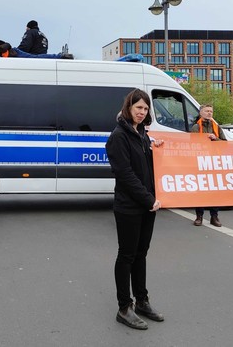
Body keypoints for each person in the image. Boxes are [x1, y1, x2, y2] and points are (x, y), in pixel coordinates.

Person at [105, 89, 165, 330]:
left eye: (146, 108)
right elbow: (125, 174)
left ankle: (142, 301)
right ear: (128, 107)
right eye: (138, 107)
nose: (142, 112)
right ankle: (124, 307)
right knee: (127, 255)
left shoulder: (142, 135)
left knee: (141, 255)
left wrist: (154, 149)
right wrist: (148, 198)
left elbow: (147, 169)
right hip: (129, 206)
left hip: (147, 206)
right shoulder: (118, 136)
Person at [190, 104, 226, 227]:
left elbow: (225, 144)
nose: (209, 113)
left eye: (211, 111)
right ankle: (199, 216)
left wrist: (215, 139)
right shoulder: (196, 127)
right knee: (201, 190)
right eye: (207, 111)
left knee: (214, 191)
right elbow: (192, 145)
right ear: (201, 113)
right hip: (200, 163)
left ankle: (214, 216)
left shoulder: (217, 127)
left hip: (214, 163)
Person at [0, 40, 73, 59]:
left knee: (35, 58)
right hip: (12, 58)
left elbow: (7, 45)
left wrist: (0, 49)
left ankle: (60, 56)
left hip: (15, 54)